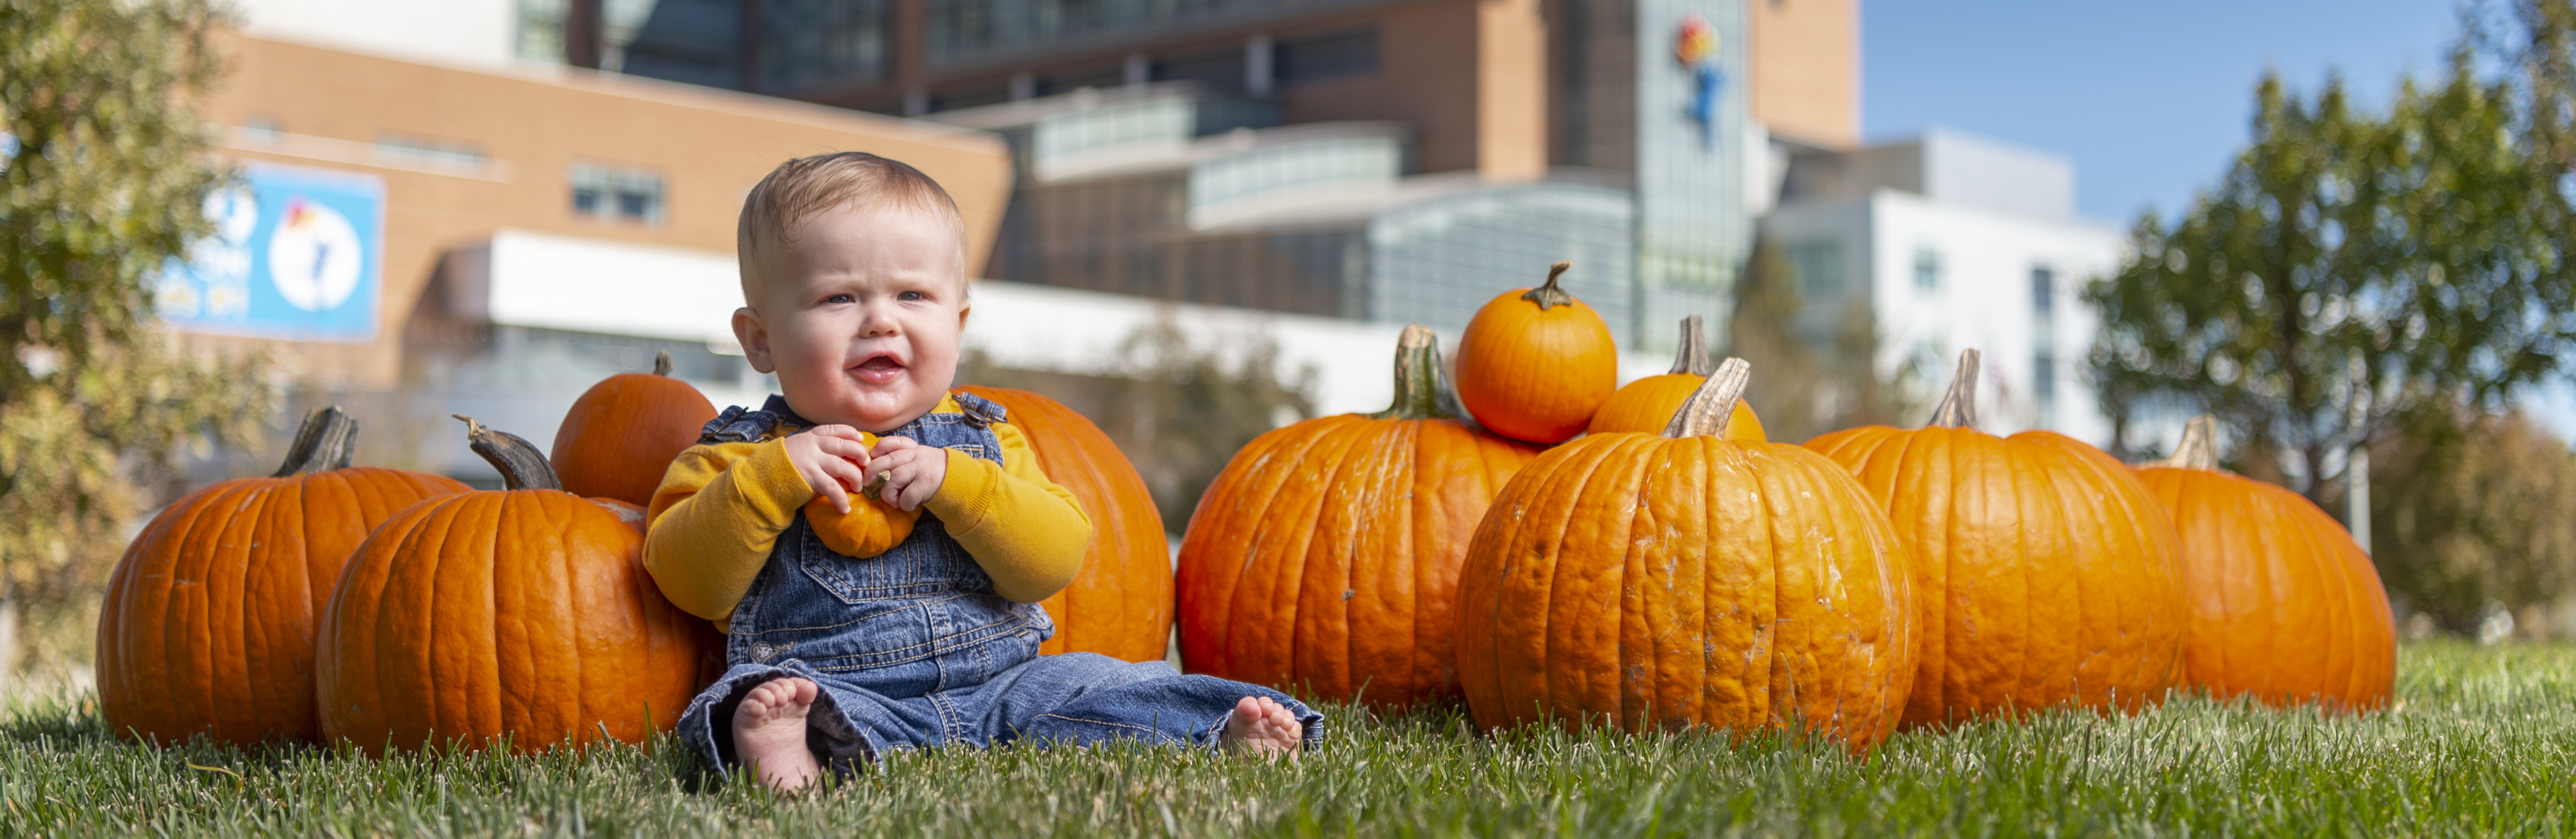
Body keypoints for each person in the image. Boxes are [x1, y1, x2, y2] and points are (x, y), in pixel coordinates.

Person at [645, 151, 1321, 791]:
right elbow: (689, 583)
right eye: (839, 299)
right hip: (846, 691)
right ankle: (795, 749)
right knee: (749, 701)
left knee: (1099, 683)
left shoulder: (984, 439)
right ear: (760, 339)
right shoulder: (738, 453)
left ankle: (1216, 731)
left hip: (1006, 685)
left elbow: (1052, 562)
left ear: (958, 322)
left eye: (913, 295)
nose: (881, 321)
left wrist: (959, 485)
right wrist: (769, 481)